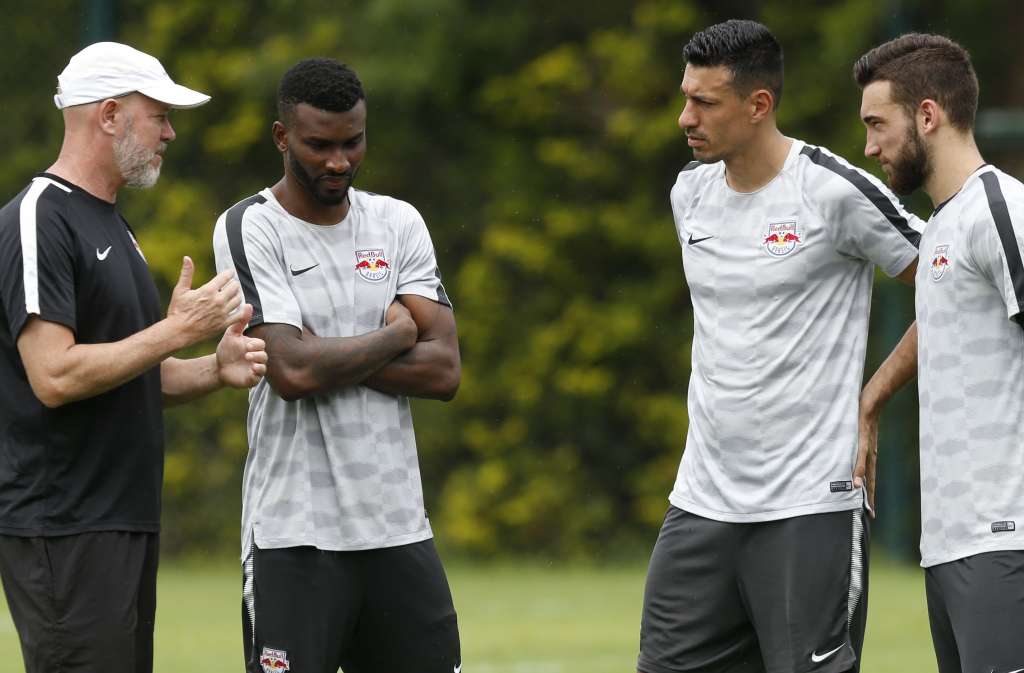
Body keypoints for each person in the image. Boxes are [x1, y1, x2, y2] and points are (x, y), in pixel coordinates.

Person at [637, 20, 923, 673]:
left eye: (704, 102)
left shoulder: (832, 191)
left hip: (810, 505)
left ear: (758, 105)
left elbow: (949, 279)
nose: (686, 117)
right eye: (686, 97)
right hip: (701, 502)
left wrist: (871, 399)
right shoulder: (690, 193)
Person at [0, 42, 267, 673]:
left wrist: (213, 367)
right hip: (63, 523)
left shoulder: (114, 225)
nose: (170, 132)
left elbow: (132, 371)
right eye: (159, 115)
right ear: (111, 115)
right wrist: (176, 331)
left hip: (118, 518)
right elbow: (55, 375)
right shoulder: (40, 218)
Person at [212, 58, 461, 673]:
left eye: (352, 142)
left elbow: (444, 371)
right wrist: (397, 333)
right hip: (295, 533)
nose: (338, 161)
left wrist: (328, 353)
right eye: (319, 145)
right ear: (282, 138)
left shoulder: (397, 222)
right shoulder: (250, 226)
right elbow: (292, 375)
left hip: (398, 525)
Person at [856, 33, 1024, 673]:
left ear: (927, 115)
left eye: (878, 124)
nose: (869, 146)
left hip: (1007, 535)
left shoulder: (999, 212)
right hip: (952, 543)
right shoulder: (946, 227)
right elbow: (942, 317)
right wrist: (872, 399)